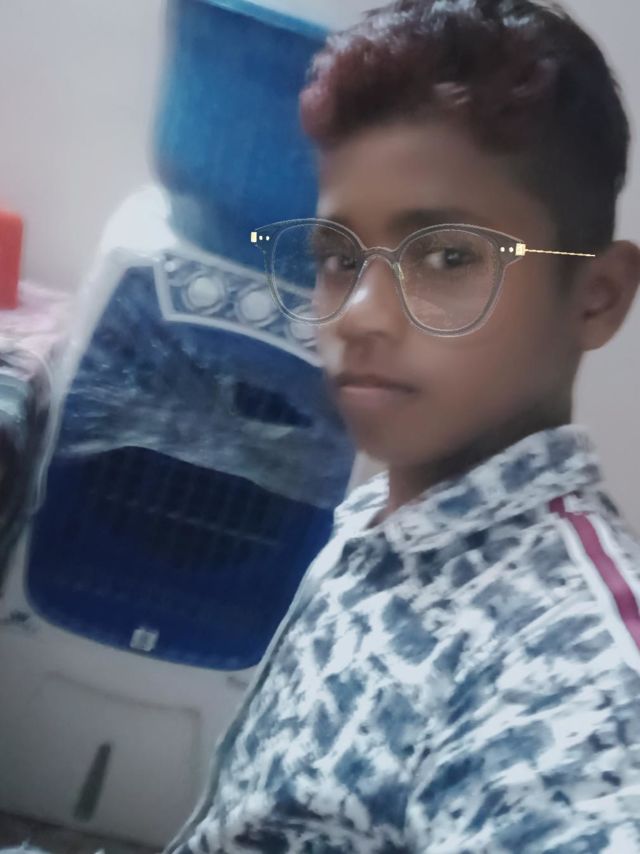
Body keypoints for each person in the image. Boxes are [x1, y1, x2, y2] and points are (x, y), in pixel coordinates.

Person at [4, 0, 640, 852]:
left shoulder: (575, 674)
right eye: (339, 258)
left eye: (447, 256)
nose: (358, 314)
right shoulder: (382, 513)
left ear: (596, 297)